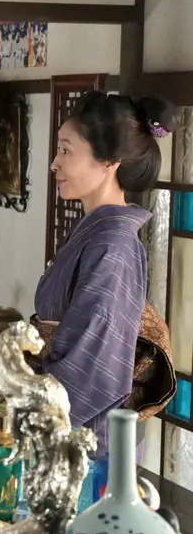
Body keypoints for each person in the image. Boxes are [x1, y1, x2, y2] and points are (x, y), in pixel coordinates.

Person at [34, 92, 177, 463]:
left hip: (87, 437)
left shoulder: (113, 244)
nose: (54, 162)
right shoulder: (97, 232)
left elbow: (95, 365)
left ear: (110, 161)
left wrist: (35, 421)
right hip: (66, 418)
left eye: (66, 150)